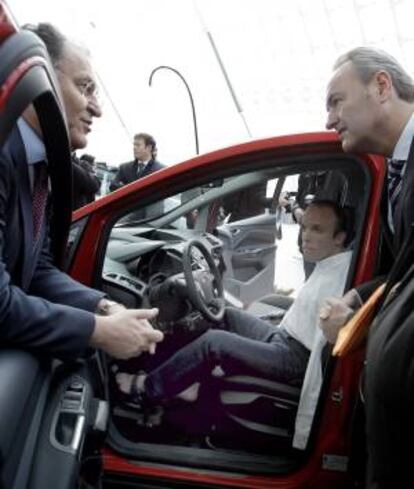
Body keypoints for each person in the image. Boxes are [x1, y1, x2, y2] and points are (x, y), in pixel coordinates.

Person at [0, 22, 163, 360]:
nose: (97, 108)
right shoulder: (4, 154)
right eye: (84, 88)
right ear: (40, 77)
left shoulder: (39, 166)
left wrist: (104, 307)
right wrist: (99, 332)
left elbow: (38, 266)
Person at [115, 201, 352, 417]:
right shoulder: (330, 262)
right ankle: (185, 379)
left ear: (339, 237)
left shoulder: (343, 275)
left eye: (317, 230)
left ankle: (148, 387)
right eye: (304, 227)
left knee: (213, 342)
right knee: (226, 315)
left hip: (294, 358)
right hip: (284, 336)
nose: (305, 237)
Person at [322, 47, 414, 487]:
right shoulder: (398, 168)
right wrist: (358, 300)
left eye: (336, 101)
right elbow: (405, 270)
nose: (329, 120)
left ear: (381, 86)